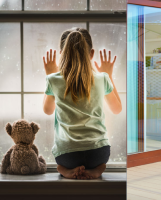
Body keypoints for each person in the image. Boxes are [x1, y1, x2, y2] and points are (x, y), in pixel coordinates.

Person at [42, 27, 122, 179]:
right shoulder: (102, 78)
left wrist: (50, 74)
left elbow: (47, 110)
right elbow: (117, 109)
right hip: (98, 153)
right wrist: (109, 75)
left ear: (61, 55)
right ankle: (99, 169)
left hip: (67, 156)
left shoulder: (53, 80)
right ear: (91, 54)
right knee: (101, 162)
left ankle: (64, 170)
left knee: (59, 164)